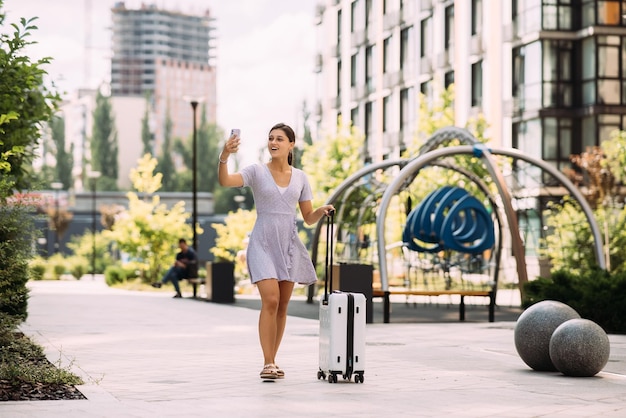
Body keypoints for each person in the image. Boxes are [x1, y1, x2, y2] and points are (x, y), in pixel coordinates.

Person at [218, 123, 334, 380]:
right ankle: (267, 362)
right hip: (262, 243)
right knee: (270, 300)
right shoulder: (257, 171)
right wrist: (225, 155)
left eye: (280, 139)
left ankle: (274, 359)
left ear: (291, 144)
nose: (274, 142)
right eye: (271, 138)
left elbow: (308, 218)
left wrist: (321, 210)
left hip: (288, 244)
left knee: (282, 306)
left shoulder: (301, 177)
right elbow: (225, 180)